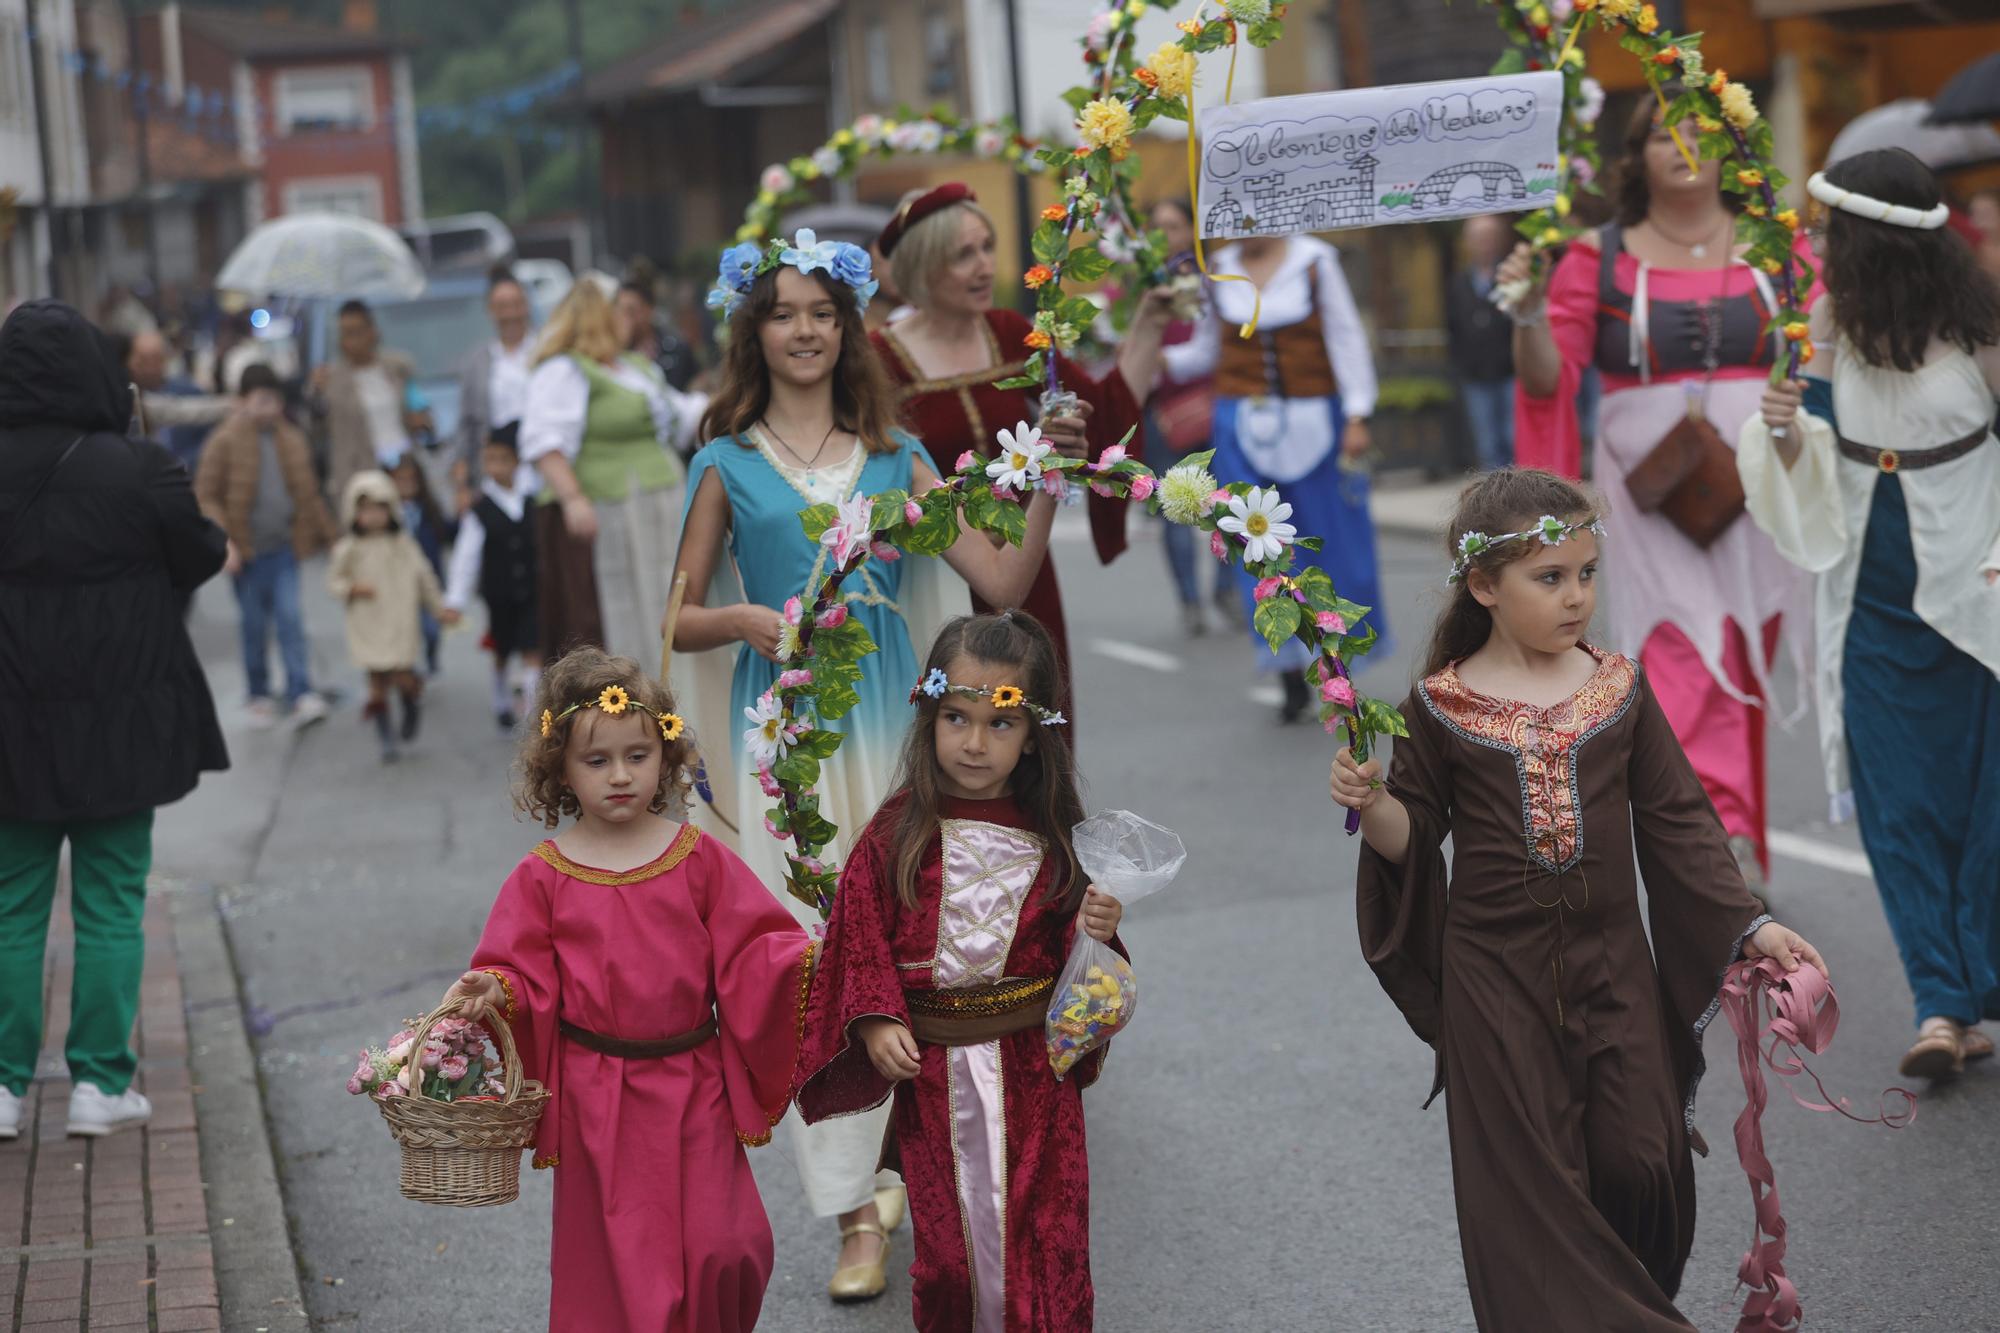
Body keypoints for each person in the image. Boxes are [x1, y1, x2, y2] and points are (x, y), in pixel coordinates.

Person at [1330, 466, 1828, 1331]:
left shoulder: (1618, 687)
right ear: (1484, 585)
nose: (1576, 597)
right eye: (1550, 577)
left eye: (1587, 573)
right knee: (1535, 1193)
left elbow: (1679, 821)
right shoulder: (1439, 705)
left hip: (1615, 968)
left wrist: (1752, 925)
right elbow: (1413, 836)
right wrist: (1373, 804)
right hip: (1494, 979)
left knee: (1642, 1161)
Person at [671, 236, 1062, 1304]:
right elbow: (679, 616)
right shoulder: (722, 463)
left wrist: (1047, 485)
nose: (803, 329)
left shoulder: (897, 456)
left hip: (897, 734)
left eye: (821, 312)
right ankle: (851, 1210)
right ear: (753, 332)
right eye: (782, 312)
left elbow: (1000, 580)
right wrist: (745, 619)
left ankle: (915, 1169)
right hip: (788, 746)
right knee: (815, 962)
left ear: (847, 330)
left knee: (912, 948)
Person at [435, 648, 812, 1332]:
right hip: (597, 1099)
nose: (619, 775)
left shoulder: (697, 856)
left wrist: (810, 961)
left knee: (729, 1247)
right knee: (629, 1270)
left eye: (637, 755)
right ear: (562, 769)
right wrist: (494, 987)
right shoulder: (543, 875)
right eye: (597, 760)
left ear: (664, 757)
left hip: (694, 1083)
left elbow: (758, 951)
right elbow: (518, 973)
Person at [1500, 97, 1815, 896]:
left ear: (1733, 148)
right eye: (1661, 134)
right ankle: (1715, 844)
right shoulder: (1593, 257)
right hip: (1650, 499)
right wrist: (1529, 313)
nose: (1682, 144)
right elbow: (1548, 379)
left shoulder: (1779, 245)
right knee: (1680, 647)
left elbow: (1827, 354)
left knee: (1743, 648)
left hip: (1761, 486)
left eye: (1700, 130)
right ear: (1635, 155)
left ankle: (1731, 836)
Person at [1739, 148, 2000, 1079]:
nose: (1814, 241)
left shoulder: (1980, 325)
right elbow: (1810, 459)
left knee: (1983, 807)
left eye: (1828, 227)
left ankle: (1974, 983)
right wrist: (1780, 427)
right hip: (1870, 602)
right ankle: (1941, 1004)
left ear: (1870, 237)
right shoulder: (1824, 323)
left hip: (1977, 593)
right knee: (1899, 809)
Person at [797, 611, 1127, 1332]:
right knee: (950, 1262)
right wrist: (877, 1017)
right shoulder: (895, 833)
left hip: (1036, 1078)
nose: (974, 743)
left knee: (1048, 1245)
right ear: (930, 715)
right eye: (956, 718)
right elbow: (858, 938)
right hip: (935, 1081)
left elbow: (1089, 980)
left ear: (1034, 733)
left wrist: (1096, 934)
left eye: (999, 723)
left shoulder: (1057, 838)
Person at [0, 300, 229, 1142]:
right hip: (122, 721)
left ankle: (2, 1085)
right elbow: (201, 553)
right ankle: (99, 1082)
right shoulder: (138, 467)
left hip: (10, 725)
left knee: (11, 908)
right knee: (109, 903)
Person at [870, 183, 1172, 720]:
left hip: (1025, 565)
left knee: (1034, 725)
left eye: (987, 247)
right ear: (923, 265)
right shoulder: (879, 359)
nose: (985, 266)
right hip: (935, 578)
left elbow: (1100, 413)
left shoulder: (1010, 333)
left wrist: (1149, 323)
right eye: (964, 254)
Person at [1161, 229, 1387, 723]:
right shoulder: (1217, 270)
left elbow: (1345, 338)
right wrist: (1144, 351)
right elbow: (1205, 352)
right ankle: (1285, 666)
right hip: (1242, 428)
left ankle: (1336, 661)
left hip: (1317, 420)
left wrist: (1357, 413)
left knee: (1330, 546)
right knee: (1260, 550)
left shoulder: (1315, 261)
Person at [520, 277, 702, 667]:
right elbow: (544, 441)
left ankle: (670, 684)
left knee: (663, 596)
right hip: (612, 512)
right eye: (622, 310)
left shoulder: (634, 366)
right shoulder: (565, 369)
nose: (630, 319)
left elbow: (684, 416)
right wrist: (572, 499)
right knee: (620, 608)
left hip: (658, 505)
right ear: (598, 316)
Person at [194, 363, 340, 729]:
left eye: (273, 400)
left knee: (291, 619)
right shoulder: (224, 440)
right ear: (242, 401)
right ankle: (258, 693)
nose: (268, 407)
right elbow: (206, 495)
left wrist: (332, 539)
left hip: (285, 548)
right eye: (259, 399)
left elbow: (309, 495)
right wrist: (224, 541)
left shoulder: (291, 438)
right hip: (247, 553)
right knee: (254, 625)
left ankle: (300, 690)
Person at [1143, 198, 1225, 637]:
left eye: (1174, 226)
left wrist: (1163, 359)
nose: (1167, 236)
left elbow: (1215, 347)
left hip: (1213, 406)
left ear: (1192, 229)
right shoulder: (1145, 284)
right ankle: (1190, 599)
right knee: (1173, 509)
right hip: (1164, 413)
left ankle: (1227, 589)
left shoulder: (1214, 280)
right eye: (1158, 228)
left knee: (1227, 504)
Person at [327, 470, 448, 762]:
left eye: (379, 508)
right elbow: (334, 581)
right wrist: (351, 588)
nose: (372, 516)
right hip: (367, 624)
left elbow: (424, 577)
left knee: (403, 675)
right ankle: (386, 737)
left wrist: (438, 607)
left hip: (400, 622)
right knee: (376, 684)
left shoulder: (403, 545)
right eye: (365, 509)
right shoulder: (349, 549)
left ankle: (410, 700)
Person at [443, 421, 542, 733]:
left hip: (532, 589)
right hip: (499, 594)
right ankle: (500, 699)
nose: (495, 467)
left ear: (517, 461)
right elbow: (467, 555)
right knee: (502, 648)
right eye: (490, 460)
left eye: (502, 459)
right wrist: (455, 599)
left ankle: (535, 715)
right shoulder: (480, 508)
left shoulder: (532, 498)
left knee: (532, 649)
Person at [310, 299, 433, 508]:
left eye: (356, 331)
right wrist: (317, 395)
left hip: (403, 468)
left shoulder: (398, 367)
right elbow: (317, 428)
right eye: (344, 333)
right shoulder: (330, 380)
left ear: (372, 331)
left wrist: (421, 422)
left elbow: (419, 409)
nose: (350, 340)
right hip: (360, 475)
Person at [451, 267, 538, 509]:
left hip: (539, 468)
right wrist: (462, 483)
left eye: (515, 305)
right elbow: (466, 424)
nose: (509, 314)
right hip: (495, 474)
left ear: (526, 306)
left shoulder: (546, 353)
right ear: (491, 311)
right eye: (501, 307)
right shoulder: (477, 362)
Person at [1446, 214, 1519, 472]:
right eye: (1477, 238)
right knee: (1487, 443)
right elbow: (1453, 328)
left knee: (1513, 438)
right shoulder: (1459, 282)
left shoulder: (1510, 277)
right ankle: (1495, 495)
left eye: (1488, 237)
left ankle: (1521, 491)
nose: (1483, 244)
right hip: (1475, 376)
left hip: (1510, 372)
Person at [386, 451, 456, 677]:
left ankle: (431, 654)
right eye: (400, 480)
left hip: (428, 581)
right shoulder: (387, 514)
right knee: (405, 628)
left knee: (431, 629)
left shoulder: (429, 511)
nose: (406, 485)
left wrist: (462, 515)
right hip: (398, 583)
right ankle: (409, 669)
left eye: (410, 479)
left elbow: (449, 532)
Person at [127, 328, 232, 473]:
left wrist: (185, 464)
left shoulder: (188, 391)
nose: (147, 367)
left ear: (165, 359)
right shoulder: (129, 397)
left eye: (154, 359)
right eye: (142, 360)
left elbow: (209, 434)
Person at [616, 274, 702, 395]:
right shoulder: (613, 354)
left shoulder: (677, 349)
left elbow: (696, 384)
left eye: (631, 311)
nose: (625, 318)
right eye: (620, 311)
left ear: (649, 310)